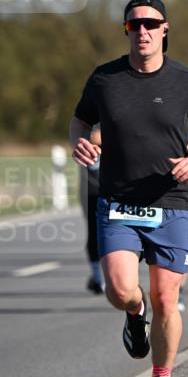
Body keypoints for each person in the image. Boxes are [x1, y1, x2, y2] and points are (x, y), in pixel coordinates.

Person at [70, 0, 188, 377]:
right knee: (122, 290)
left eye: (150, 24)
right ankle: (132, 314)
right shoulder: (105, 79)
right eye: (133, 25)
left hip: (171, 201)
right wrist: (79, 143)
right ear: (126, 31)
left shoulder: (187, 81)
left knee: (166, 297)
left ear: (164, 29)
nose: (141, 31)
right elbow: (80, 119)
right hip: (119, 201)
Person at [78, 125, 104, 294]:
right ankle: (98, 277)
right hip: (92, 190)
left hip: (118, 190)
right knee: (94, 231)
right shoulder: (92, 107)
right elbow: (91, 136)